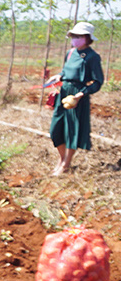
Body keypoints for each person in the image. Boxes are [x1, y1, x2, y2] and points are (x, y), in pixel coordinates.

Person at [47, 21, 103, 175]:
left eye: (79, 36)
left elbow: (98, 82)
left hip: (78, 95)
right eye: (74, 36)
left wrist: (79, 95)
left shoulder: (92, 57)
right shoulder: (70, 53)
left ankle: (65, 164)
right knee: (55, 129)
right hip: (64, 92)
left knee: (72, 130)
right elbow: (65, 71)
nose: (75, 39)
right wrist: (58, 76)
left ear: (87, 38)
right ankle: (61, 158)